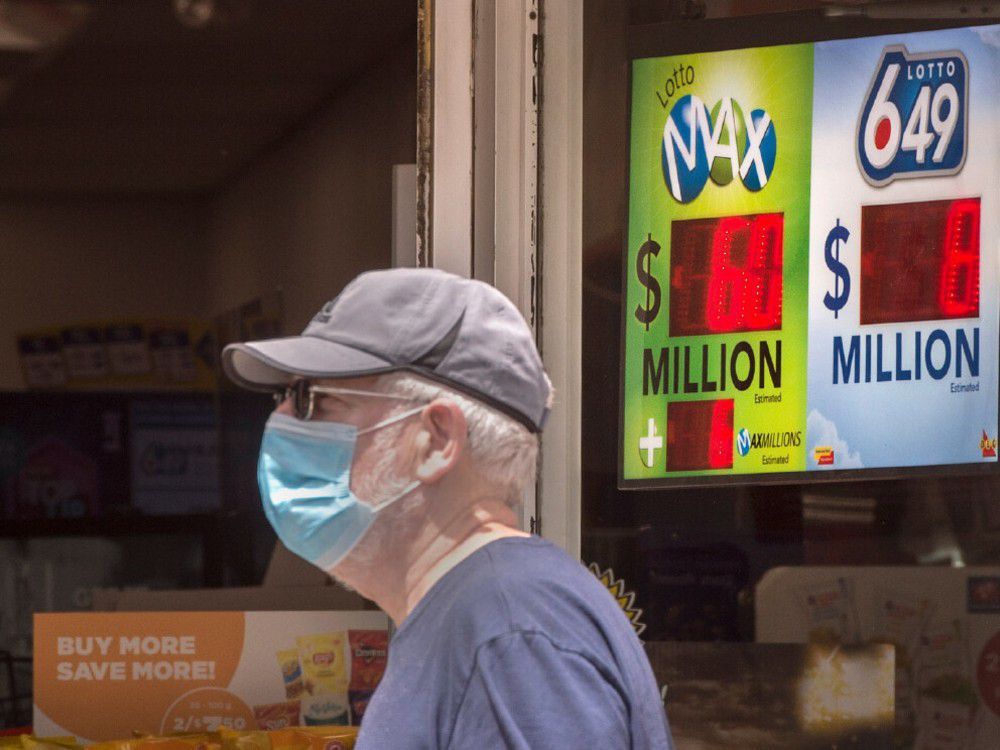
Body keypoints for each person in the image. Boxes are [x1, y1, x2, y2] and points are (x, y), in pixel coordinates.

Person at [223, 268, 673, 749]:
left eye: (315, 400)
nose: (281, 420)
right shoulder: (479, 616)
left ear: (436, 439)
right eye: (285, 397)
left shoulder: (511, 633)